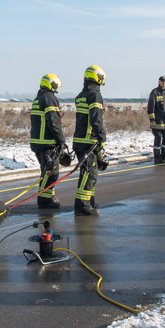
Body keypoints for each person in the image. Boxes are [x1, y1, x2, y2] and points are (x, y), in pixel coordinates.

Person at [73, 65, 107, 216]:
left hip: (79, 140)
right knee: (90, 174)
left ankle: (89, 202)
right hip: (89, 141)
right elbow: (96, 119)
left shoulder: (81, 96)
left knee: (88, 173)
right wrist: (101, 138)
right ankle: (83, 205)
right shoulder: (94, 96)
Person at [30, 74, 67, 209]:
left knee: (46, 172)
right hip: (47, 143)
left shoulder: (38, 99)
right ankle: (45, 201)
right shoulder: (49, 98)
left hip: (38, 143)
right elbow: (53, 121)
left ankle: (48, 198)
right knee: (52, 172)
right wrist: (61, 140)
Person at [147, 76, 165, 164]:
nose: (163, 83)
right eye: (162, 81)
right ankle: (157, 157)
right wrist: (152, 119)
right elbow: (151, 106)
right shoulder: (154, 92)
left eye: (164, 81)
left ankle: (164, 156)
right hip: (157, 121)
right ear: (159, 82)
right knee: (158, 138)